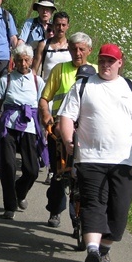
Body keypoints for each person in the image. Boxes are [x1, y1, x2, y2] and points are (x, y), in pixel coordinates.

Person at [59, 43, 132, 262]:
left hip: (123, 160)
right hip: (90, 157)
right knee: (94, 204)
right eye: (102, 60)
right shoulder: (83, 86)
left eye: (110, 61)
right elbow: (66, 116)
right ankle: (92, 250)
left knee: (119, 209)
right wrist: (67, 140)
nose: (105, 65)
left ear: (119, 64)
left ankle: (103, 248)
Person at [38, 32, 96, 226]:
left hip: (87, 131)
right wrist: (46, 115)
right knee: (59, 173)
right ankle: (55, 210)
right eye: (73, 48)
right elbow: (45, 98)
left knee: (84, 176)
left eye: (81, 49)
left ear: (89, 50)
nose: (77, 53)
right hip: (60, 129)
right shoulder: (60, 70)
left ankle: (78, 216)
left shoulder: (96, 71)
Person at [0, 45, 47, 219]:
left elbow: (42, 108)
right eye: (19, 60)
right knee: (8, 166)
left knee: (32, 170)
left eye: (26, 60)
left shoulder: (38, 82)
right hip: (8, 126)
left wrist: (43, 129)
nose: (23, 63)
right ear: (13, 61)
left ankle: (19, 192)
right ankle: (10, 205)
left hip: (29, 127)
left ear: (31, 61)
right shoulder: (6, 79)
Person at [32, 11, 72, 82]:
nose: (60, 28)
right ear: (53, 25)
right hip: (47, 87)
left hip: (65, 89)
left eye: (63, 25)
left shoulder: (71, 46)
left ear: (68, 26)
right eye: (58, 25)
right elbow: (34, 69)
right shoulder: (43, 45)